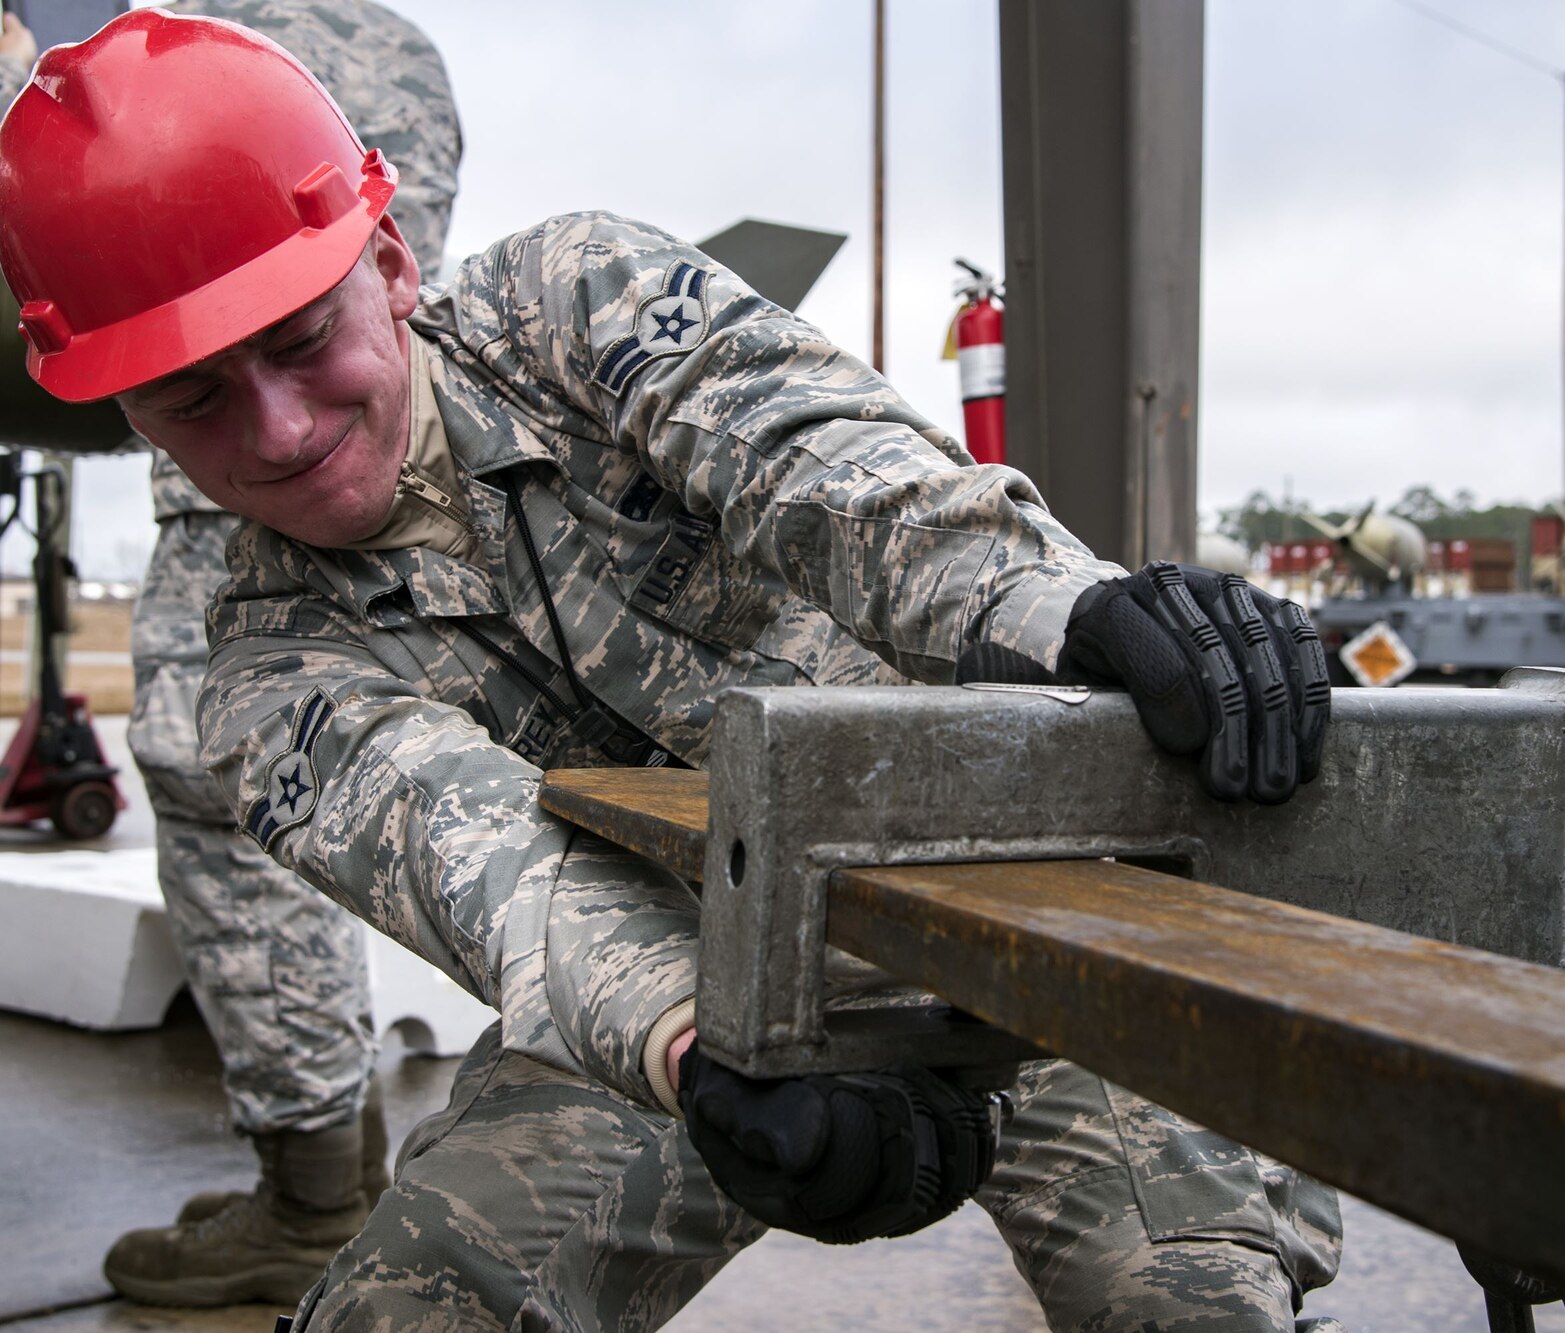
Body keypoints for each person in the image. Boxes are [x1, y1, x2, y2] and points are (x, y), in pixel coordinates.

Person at [0, 11, 1341, 1330]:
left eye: (301, 341)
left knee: (1186, 1303)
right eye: (194, 398)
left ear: (392, 262)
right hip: (699, 990)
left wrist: (1074, 609)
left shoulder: (567, 307)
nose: (280, 430)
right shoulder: (264, 674)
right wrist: (709, 1051)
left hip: (1023, 905)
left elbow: (826, 469)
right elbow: (497, 874)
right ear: (123, 412)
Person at [0, 0, 461, 1307]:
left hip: (256, 465)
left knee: (223, 759)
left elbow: (271, 335)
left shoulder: (173, 55)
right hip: (332, 431)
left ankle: (316, 1198)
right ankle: (325, 1174)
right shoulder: (366, 45)